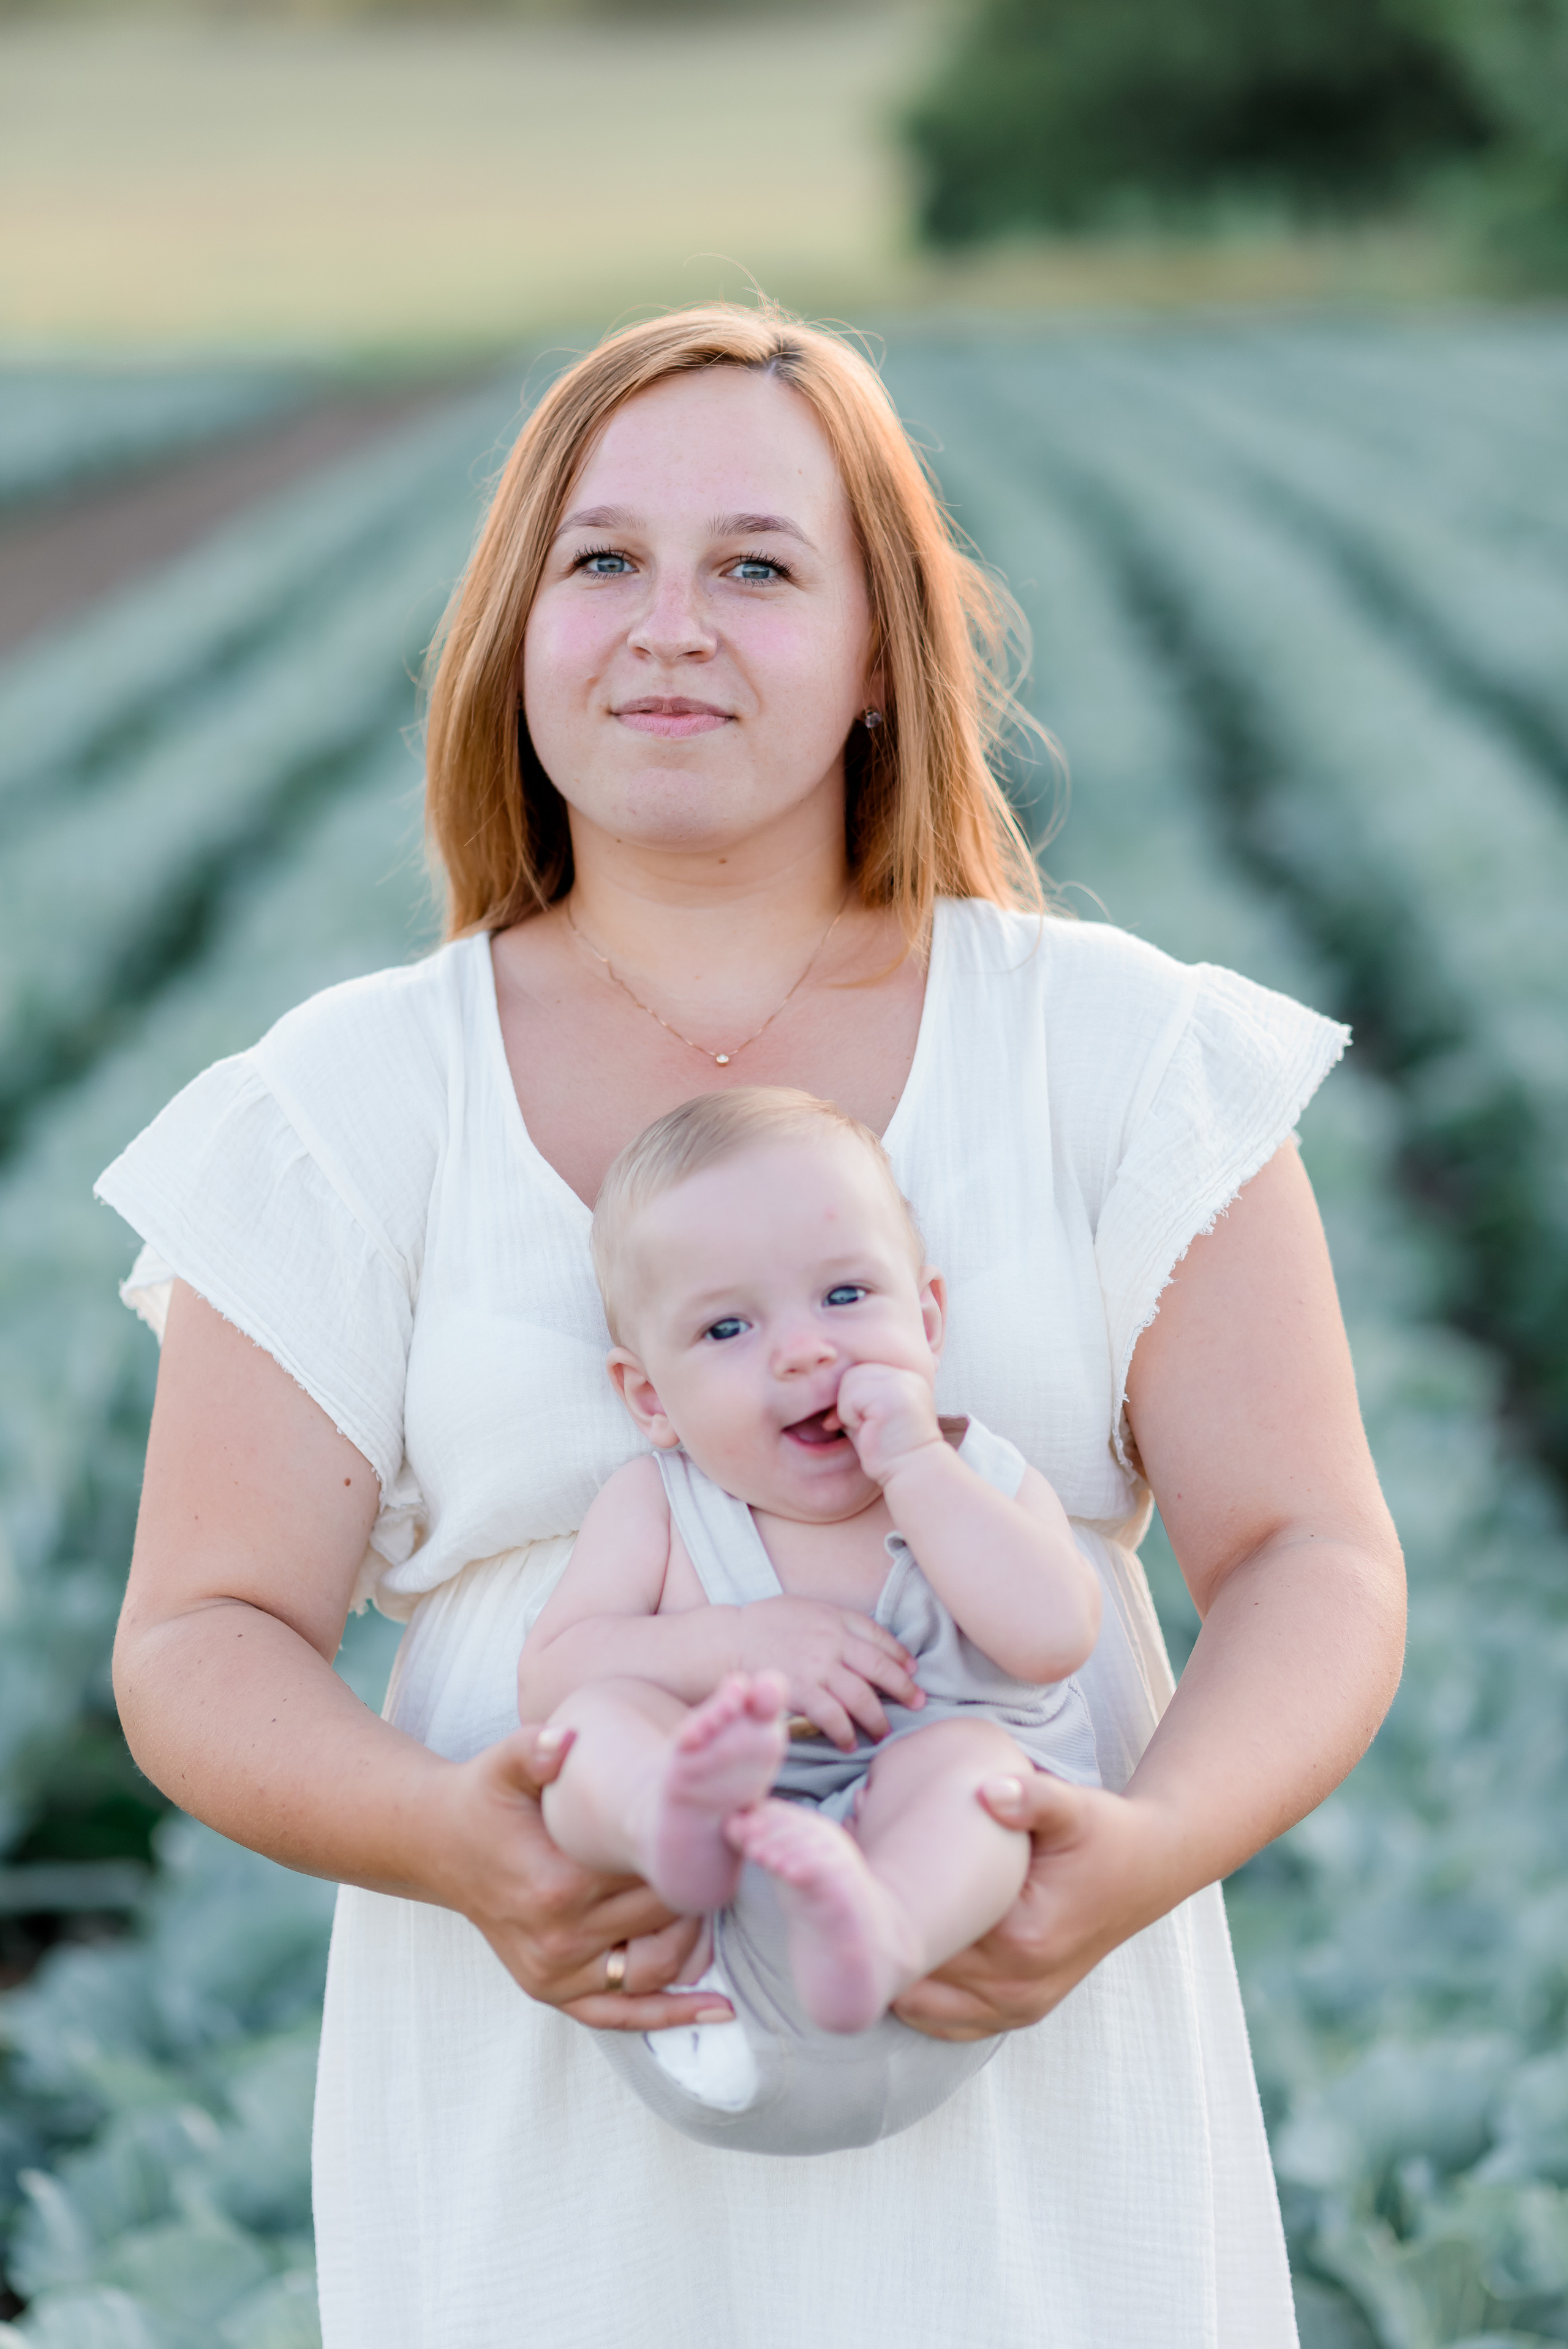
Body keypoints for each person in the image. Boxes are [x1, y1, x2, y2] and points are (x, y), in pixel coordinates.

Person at [98, 300, 1405, 2348]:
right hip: (559, 2067)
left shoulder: (1114, 1053)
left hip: (1019, 2039)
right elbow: (199, 1635)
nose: (670, 625)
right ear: (516, 629)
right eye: (604, 559)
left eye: (760, 568)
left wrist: (1140, 1852)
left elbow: (1313, 1554)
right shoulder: (349, 1100)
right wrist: (457, 1838)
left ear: (883, 652)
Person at [518, 1086, 1103, 2152]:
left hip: (945, 1937)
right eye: (727, 1327)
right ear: (650, 1398)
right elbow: (550, 1677)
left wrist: (917, 1465)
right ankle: (667, 1817)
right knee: (595, 1724)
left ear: (927, 1322)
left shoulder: (978, 1476)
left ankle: (878, 1923)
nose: (801, 1350)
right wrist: (729, 1644)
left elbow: (1055, 1635)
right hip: (698, 1932)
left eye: (845, 1294)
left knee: (974, 1764)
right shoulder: (659, 1506)